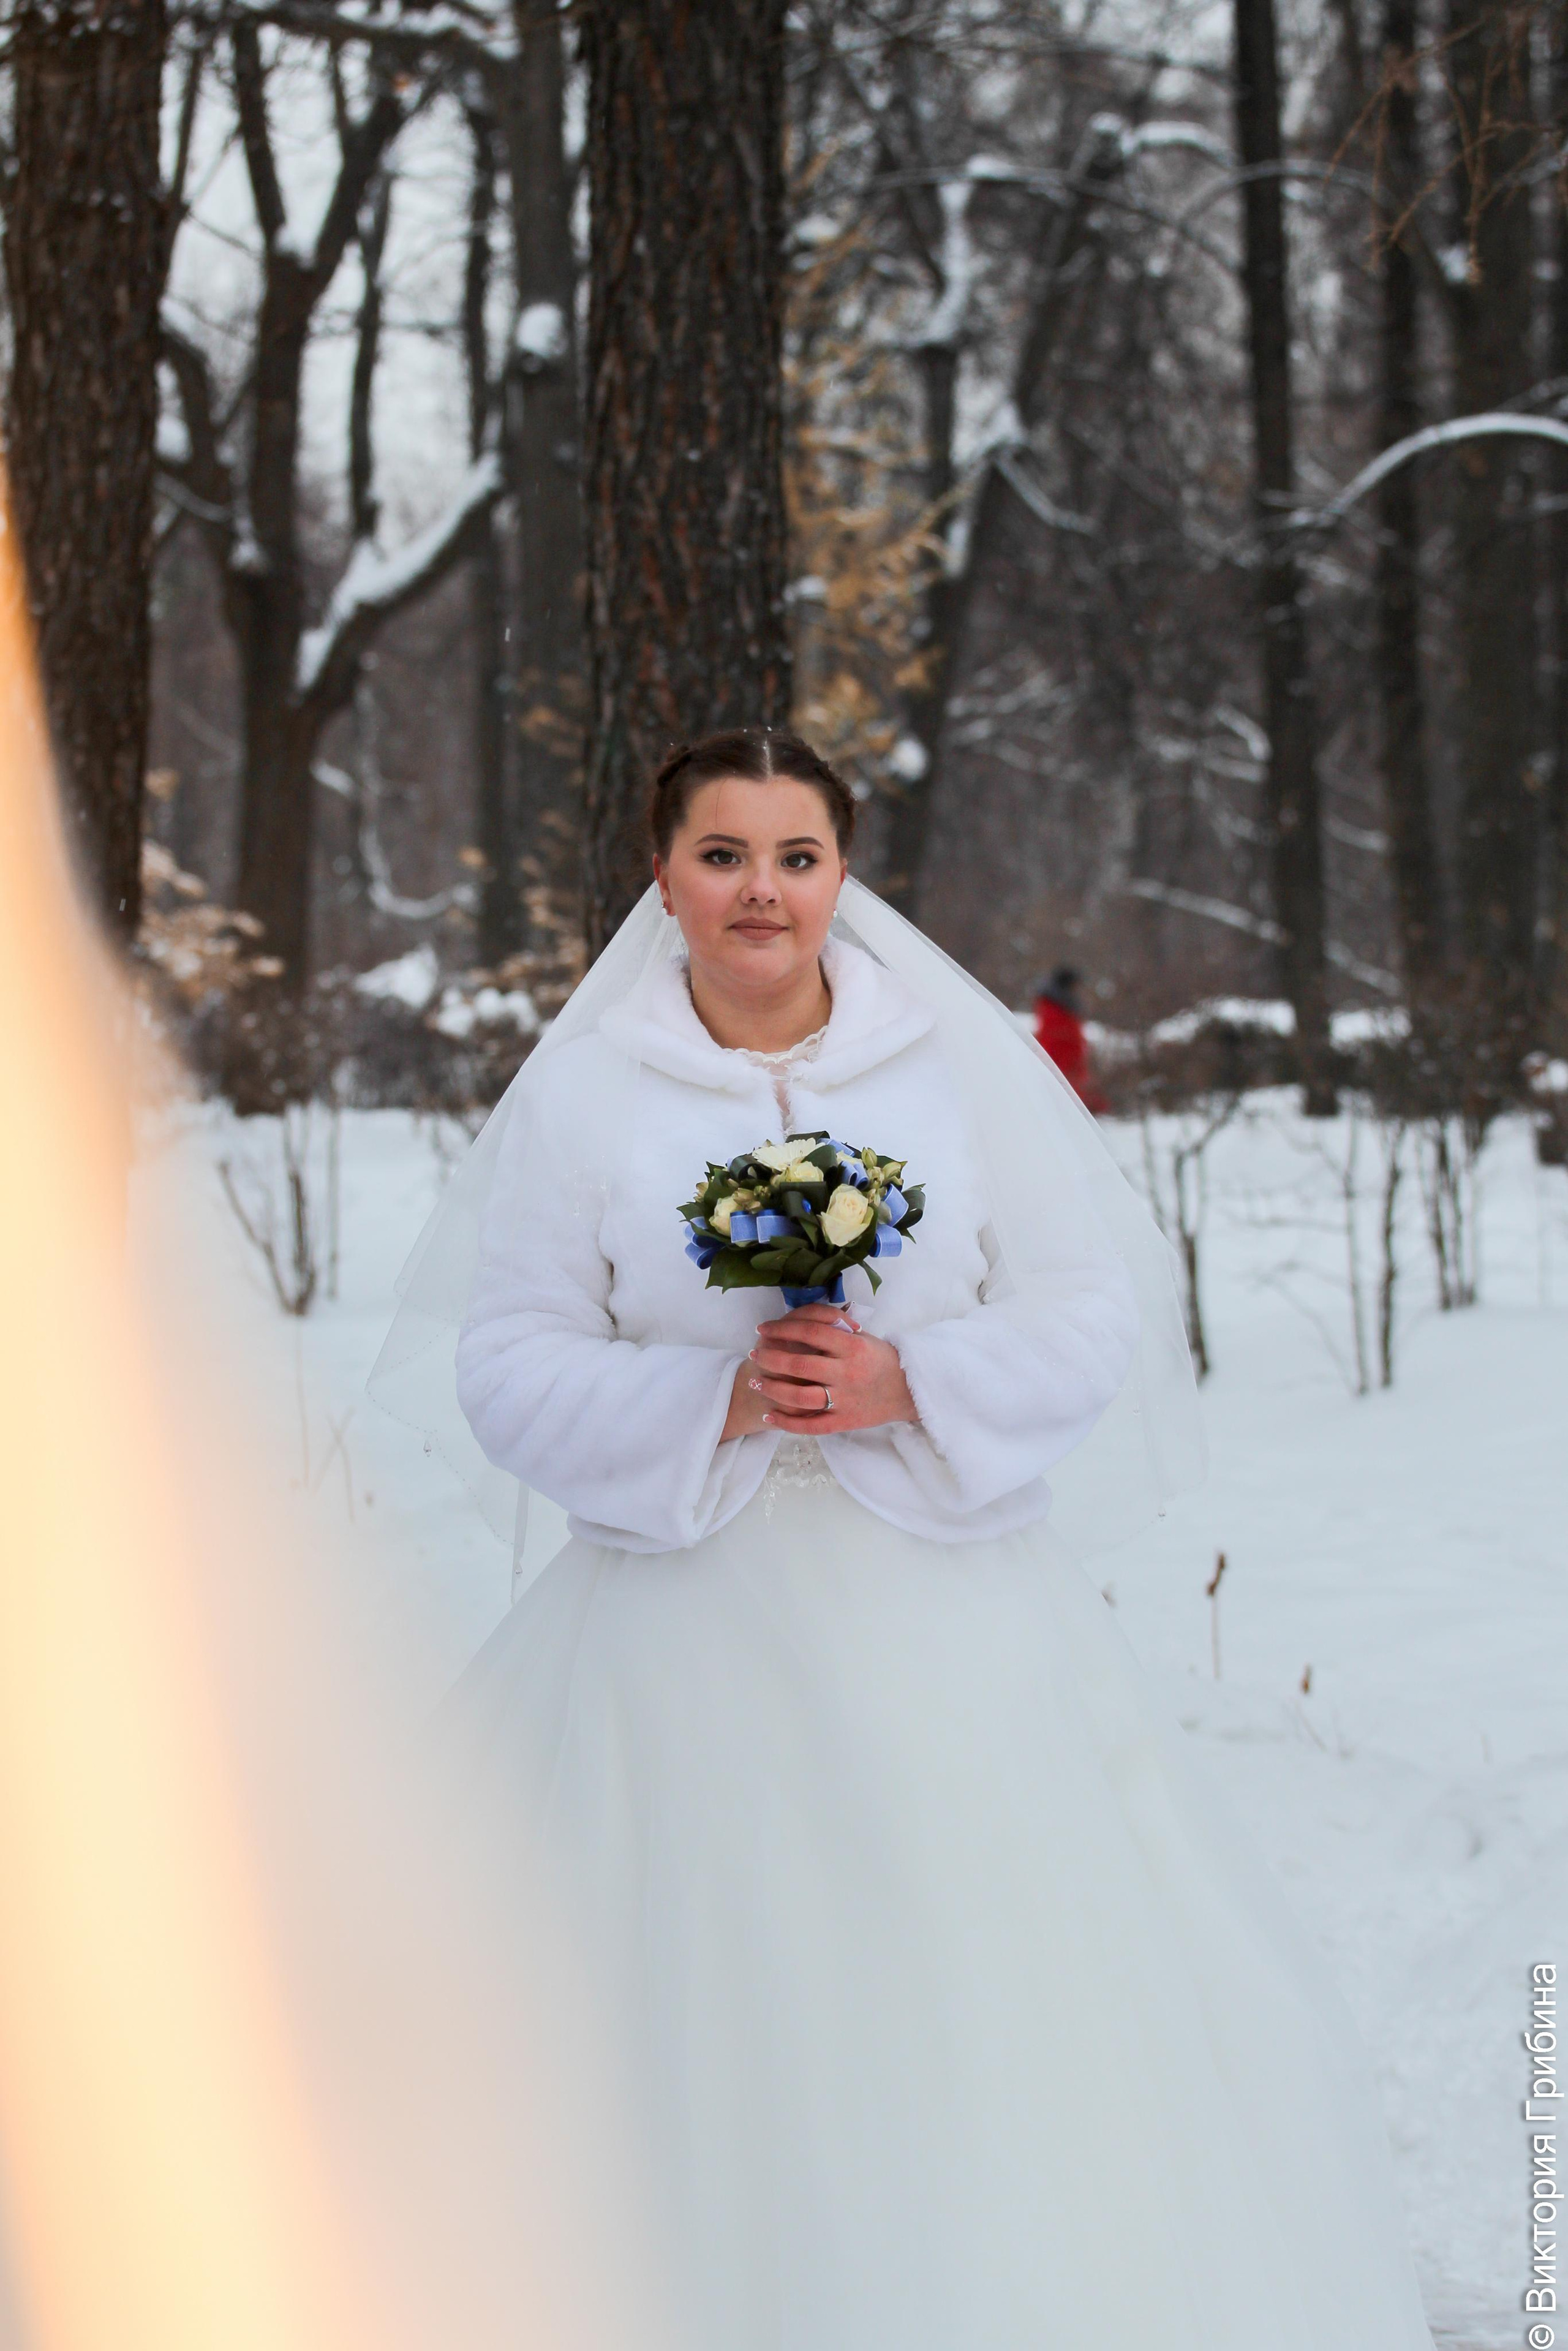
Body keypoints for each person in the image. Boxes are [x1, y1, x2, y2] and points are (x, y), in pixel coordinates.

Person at [376, 727, 1436, 2349]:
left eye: (796, 856)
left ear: (844, 874)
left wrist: (911, 1379)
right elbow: (507, 1365)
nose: (761, 892)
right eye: (722, 854)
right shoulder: (587, 1097)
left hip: (948, 1608)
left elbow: (1087, 1313)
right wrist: (707, 1401)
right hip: (677, 1632)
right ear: (662, 876)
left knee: (994, 1999)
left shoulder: (951, 1065)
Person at [1033, 962, 1109, 1111]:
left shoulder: (1062, 1009)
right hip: (1063, 1077)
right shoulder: (1056, 1012)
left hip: (1069, 1076)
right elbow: (1055, 1047)